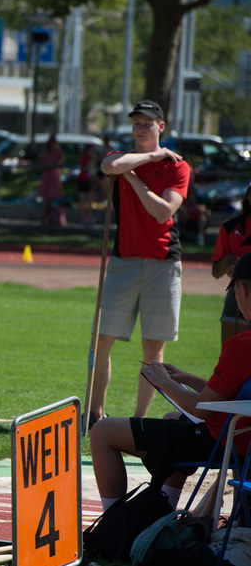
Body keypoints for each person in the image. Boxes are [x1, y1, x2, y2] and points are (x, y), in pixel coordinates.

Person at [90, 252, 251, 511]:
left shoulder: (241, 345)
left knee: (102, 432)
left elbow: (202, 408)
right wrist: (185, 378)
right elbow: (230, 394)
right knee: (171, 421)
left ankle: (113, 524)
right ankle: (163, 509)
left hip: (227, 442)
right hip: (239, 435)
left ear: (241, 287)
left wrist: (164, 382)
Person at [88, 100, 191, 430]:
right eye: (136, 123)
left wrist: (133, 180)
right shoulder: (120, 159)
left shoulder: (178, 167)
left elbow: (163, 212)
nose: (141, 128)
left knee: (153, 350)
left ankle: (139, 422)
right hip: (124, 261)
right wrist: (150, 157)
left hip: (163, 263)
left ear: (161, 126)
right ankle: (95, 414)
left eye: (148, 123)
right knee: (100, 340)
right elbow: (109, 167)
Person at [211, 183, 251, 345]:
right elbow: (216, 272)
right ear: (248, 195)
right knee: (232, 351)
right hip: (240, 292)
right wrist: (227, 262)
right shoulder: (230, 227)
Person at [38, 135, 64, 226]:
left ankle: (45, 217)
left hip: (54, 177)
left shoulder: (59, 152)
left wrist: (52, 165)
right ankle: (48, 217)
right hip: (47, 177)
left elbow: (59, 163)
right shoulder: (46, 152)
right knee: (47, 198)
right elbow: (43, 163)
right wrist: (48, 165)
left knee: (50, 197)